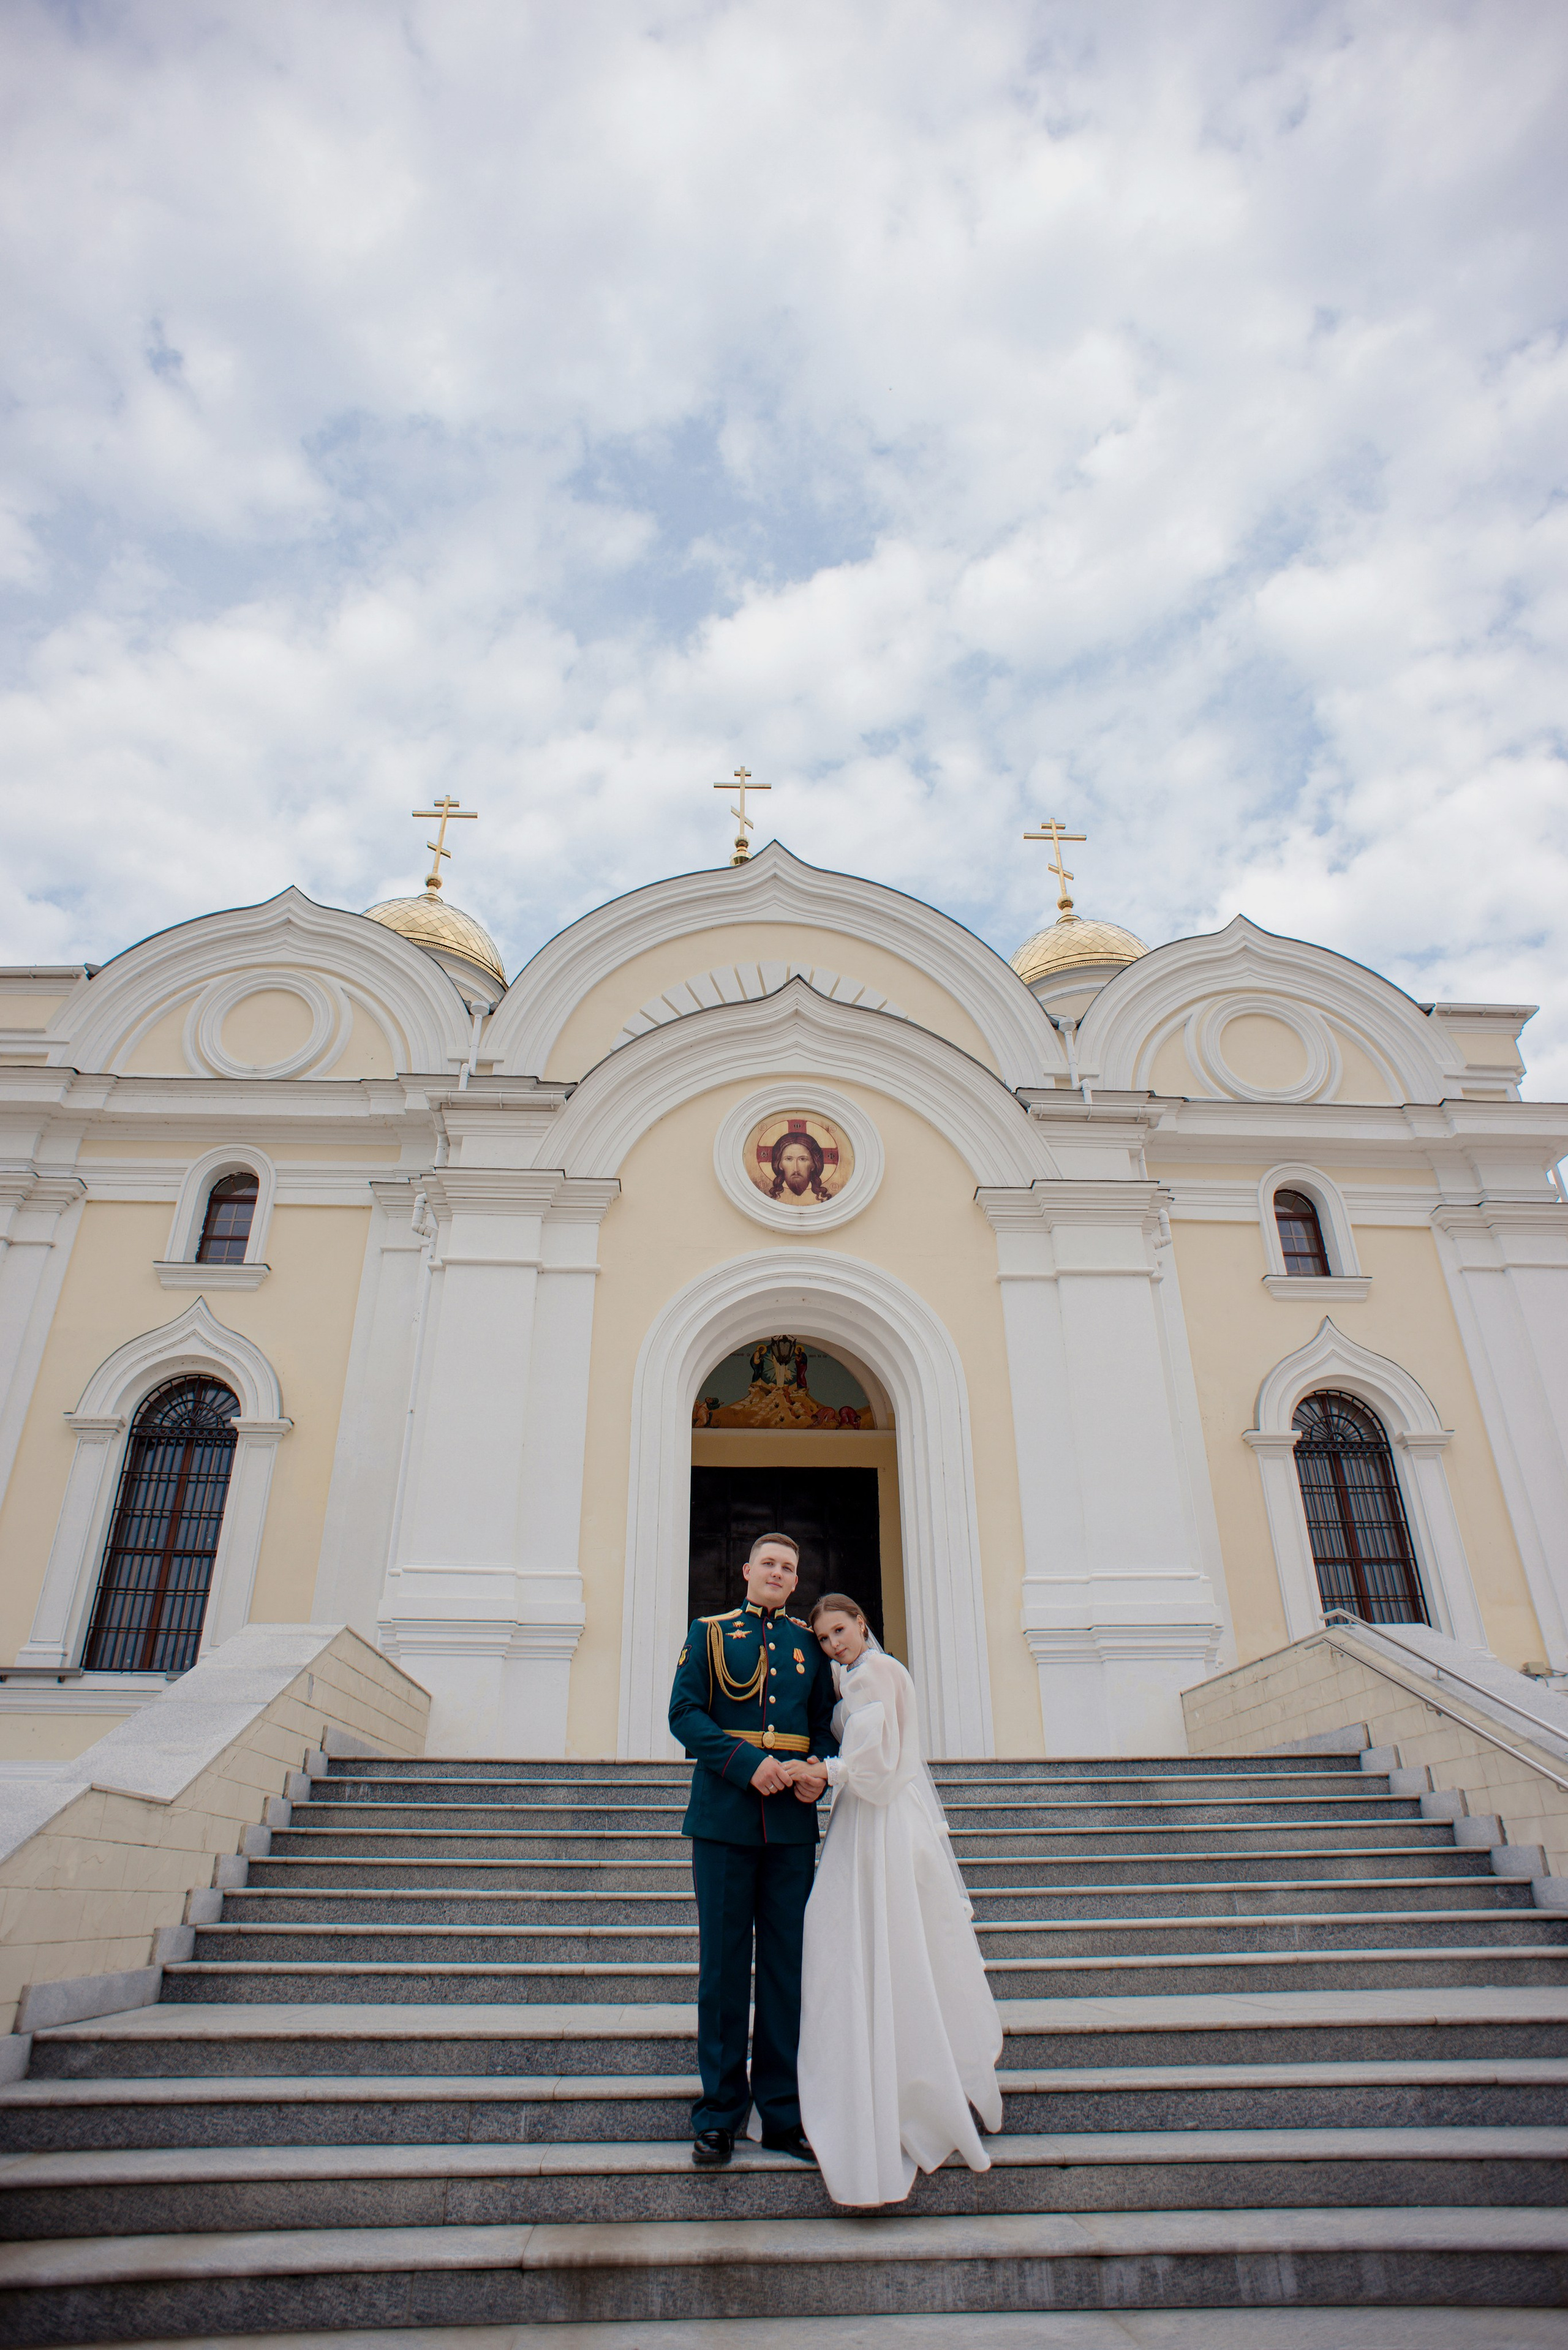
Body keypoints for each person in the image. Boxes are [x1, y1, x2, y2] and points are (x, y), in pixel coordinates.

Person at [794, 1592, 1003, 2207]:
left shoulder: (874, 1673)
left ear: (863, 1624)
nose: (834, 1643)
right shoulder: (867, 1673)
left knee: (870, 1930)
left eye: (840, 1630)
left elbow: (879, 1760)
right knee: (876, 1931)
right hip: (876, 1813)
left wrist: (826, 1772)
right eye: (824, 1637)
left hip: (877, 1817)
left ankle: (889, 2072)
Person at [667, 1531, 838, 2169]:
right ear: (746, 1570)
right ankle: (718, 2115)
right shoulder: (709, 1632)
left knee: (786, 1971)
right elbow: (685, 1714)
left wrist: (820, 1768)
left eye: (788, 1567)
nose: (778, 1573)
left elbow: (824, 1725)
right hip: (724, 1820)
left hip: (790, 1825)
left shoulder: (808, 1643)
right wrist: (746, 1764)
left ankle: (783, 2114)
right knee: (722, 1969)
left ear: (796, 1580)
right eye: (769, 1563)